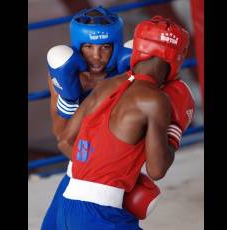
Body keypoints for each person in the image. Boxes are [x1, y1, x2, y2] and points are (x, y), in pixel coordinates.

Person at [55, 16, 195, 229]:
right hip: (102, 214)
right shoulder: (155, 100)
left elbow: (65, 140)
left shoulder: (107, 85)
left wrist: (103, 173)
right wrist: (174, 132)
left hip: (67, 204)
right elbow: (157, 169)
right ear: (177, 57)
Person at [42, 6, 132, 229]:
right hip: (81, 165)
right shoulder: (65, 73)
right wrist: (68, 100)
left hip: (115, 172)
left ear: (116, 46)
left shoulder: (128, 73)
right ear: (77, 46)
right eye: (88, 47)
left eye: (105, 48)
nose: (96, 56)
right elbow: (60, 134)